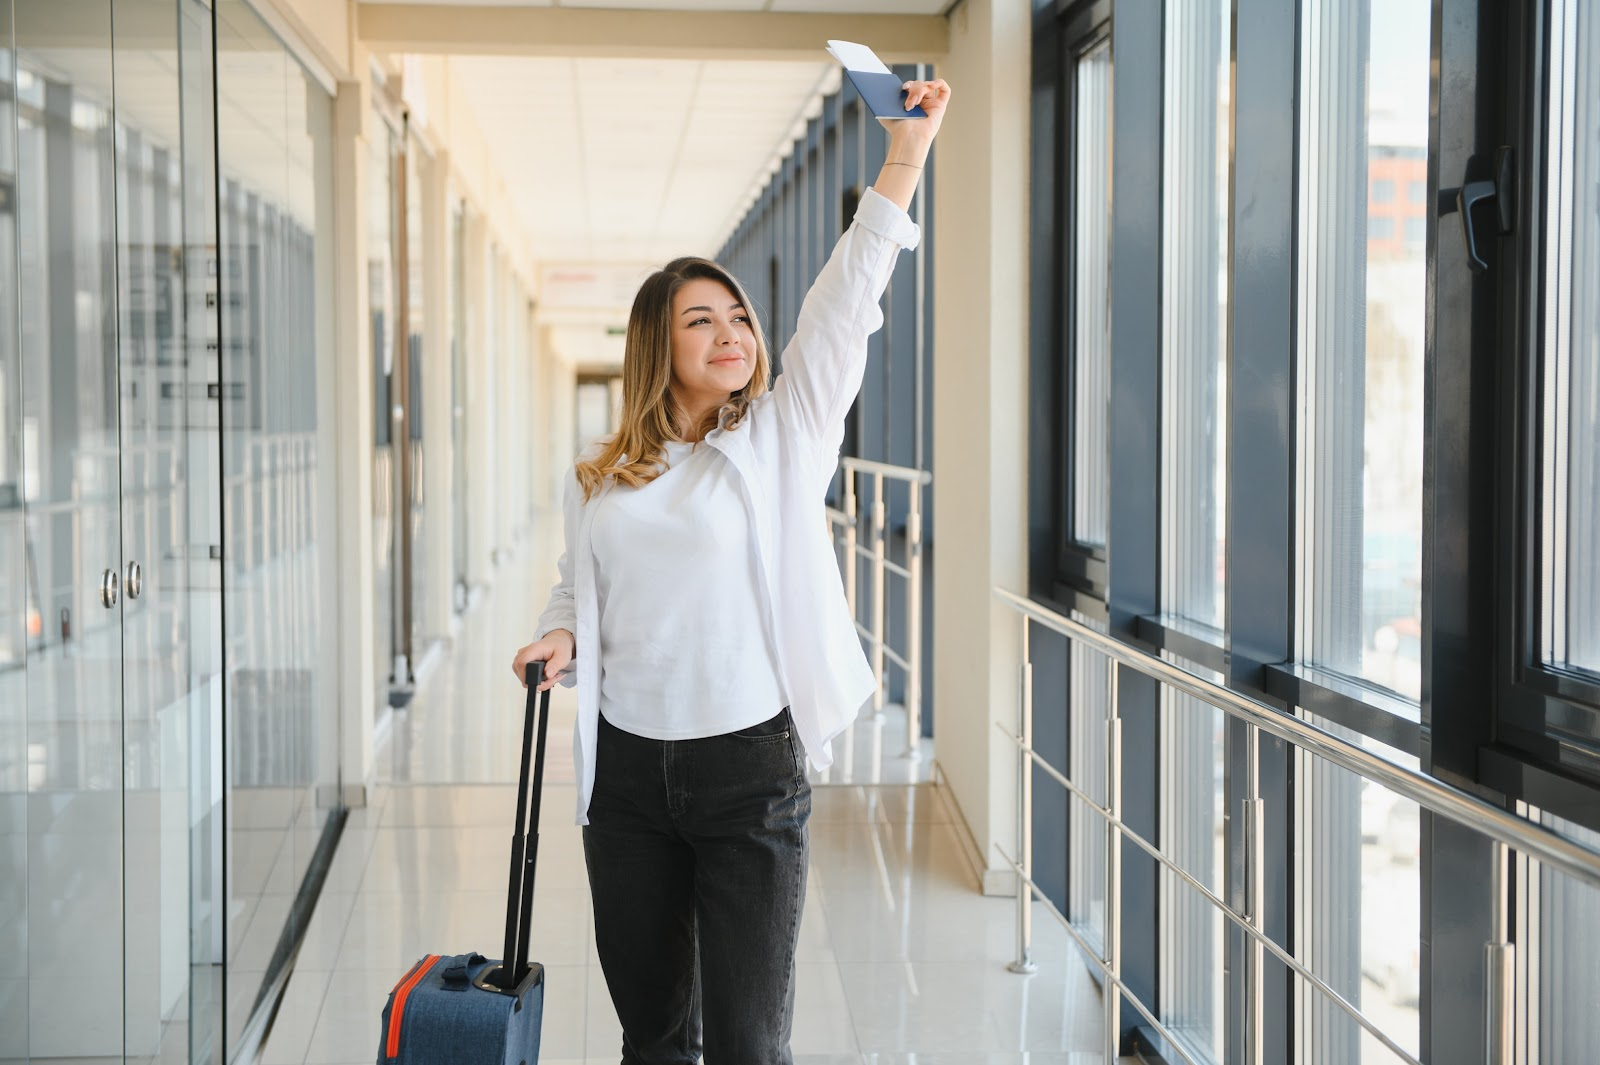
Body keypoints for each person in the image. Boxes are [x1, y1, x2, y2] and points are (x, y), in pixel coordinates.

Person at [511, 77, 952, 1065]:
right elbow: (577, 589)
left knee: (750, 1044)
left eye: (740, 318)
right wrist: (561, 633)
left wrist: (904, 158)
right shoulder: (599, 477)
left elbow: (844, 307)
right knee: (656, 1037)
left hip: (748, 772)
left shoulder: (779, 440)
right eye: (702, 320)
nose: (733, 335)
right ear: (656, 347)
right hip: (625, 781)